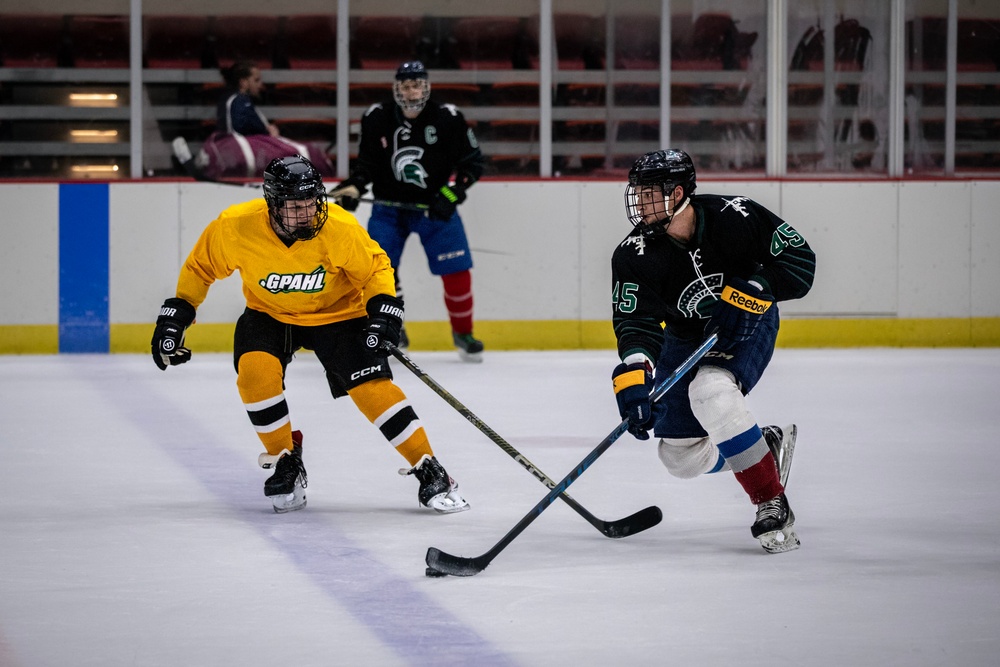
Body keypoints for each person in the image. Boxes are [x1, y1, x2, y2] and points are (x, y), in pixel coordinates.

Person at [151, 154, 469, 515]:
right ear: (272, 205)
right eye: (295, 206)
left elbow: (376, 266)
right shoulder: (235, 227)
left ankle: (430, 466)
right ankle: (285, 459)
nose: (307, 213)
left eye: (311, 203)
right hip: (270, 314)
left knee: (372, 390)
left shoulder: (339, 227)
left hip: (340, 314)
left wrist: (384, 310)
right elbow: (200, 268)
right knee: (255, 376)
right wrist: (177, 314)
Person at [609, 149, 815, 553]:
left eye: (650, 193)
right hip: (684, 338)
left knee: (712, 393)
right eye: (638, 192)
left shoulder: (736, 217)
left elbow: (800, 262)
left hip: (746, 322)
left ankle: (770, 501)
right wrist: (635, 374)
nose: (641, 203)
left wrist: (754, 289)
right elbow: (637, 322)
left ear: (679, 193)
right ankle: (762, 448)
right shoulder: (633, 256)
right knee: (680, 458)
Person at [330, 60, 487, 362]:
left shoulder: (448, 117)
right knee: (379, 269)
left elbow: (473, 163)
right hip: (388, 209)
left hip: (434, 209)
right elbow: (367, 165)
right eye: (406, 84)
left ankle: (463, 333)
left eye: (418, 83)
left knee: (457, 271)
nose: (412, 90)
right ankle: (392, 328)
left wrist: (451, 193)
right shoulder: (376, 117)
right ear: (396, 87)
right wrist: (354, 187)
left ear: (426, 86)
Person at [216, 60, 280, 138]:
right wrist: (269, 133)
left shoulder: (239, 100)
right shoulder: (239, 101)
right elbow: (241, 128)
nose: (260, 85)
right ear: (243, 82)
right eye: (256, 80)